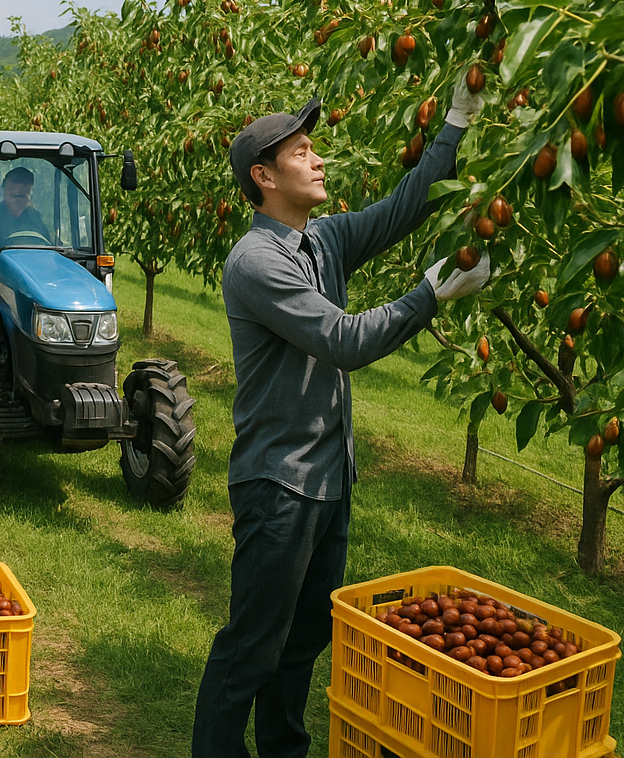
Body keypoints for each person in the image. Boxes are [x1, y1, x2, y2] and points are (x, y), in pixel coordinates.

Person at [191, 80, 490, 758]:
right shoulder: (257, 262)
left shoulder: (321, 241)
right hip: (280, 485)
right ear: (264, 177)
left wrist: (455, 122)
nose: (319, 158)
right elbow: (347, 342)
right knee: (252, 648)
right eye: (302, 152)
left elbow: (403, 209)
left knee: (300, 645)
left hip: (327, 479)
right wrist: (430, 295)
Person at [0, 166, 49, 247]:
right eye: (13, 196)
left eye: (22, 196)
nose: (17, 200)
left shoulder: (36, 219)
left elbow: (48, 248)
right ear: (4, 190)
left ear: (30, 194)